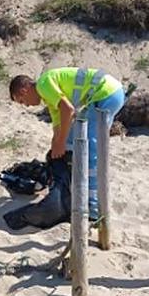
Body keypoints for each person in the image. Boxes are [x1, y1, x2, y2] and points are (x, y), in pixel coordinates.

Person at [9, 67, 126, 221]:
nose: (27, 105)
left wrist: (61, 143)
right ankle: (75, 189)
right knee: (73, 139)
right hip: (105, 94)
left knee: (89, 148)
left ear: (24, 90)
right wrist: (56, 146)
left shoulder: (44, 85)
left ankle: (93, 206)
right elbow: (58, 127)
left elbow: (68, 110)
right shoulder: (50, 99)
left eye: (22, 101)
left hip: (106, 93)